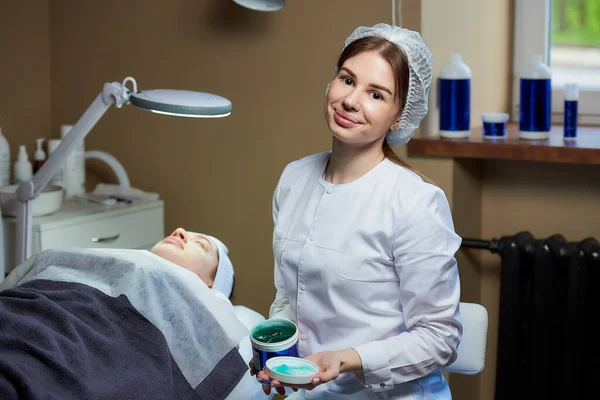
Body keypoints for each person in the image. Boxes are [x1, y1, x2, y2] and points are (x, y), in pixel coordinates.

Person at [254, 23, 463, 399]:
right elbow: (290, 295)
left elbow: (440, 337)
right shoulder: (294, 178)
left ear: (399, 117)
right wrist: (277, 352)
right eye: (347, 80)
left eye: (376, 94)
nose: (351, 101)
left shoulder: (415, 202)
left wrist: (348, 359)